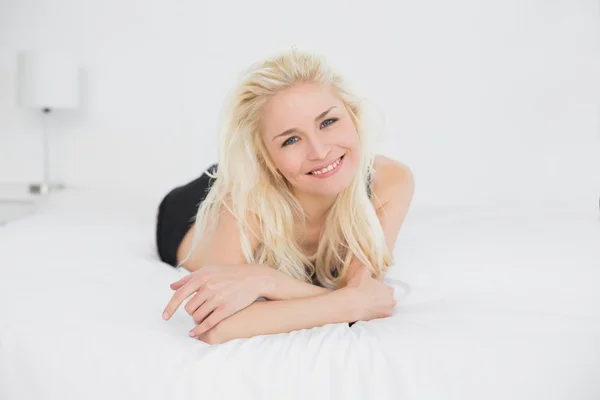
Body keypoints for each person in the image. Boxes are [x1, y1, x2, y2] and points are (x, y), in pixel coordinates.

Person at [156, 48, 415, 344]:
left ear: (354, 117)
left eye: (328, 122)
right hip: (189, 212)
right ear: (266, 158)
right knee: (233, 181)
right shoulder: (245, 198)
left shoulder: (391, 180)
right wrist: (349, 303)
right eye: (291, 139)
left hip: (289, 178)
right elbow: (218, 327)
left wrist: (268, 281)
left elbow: (368, 293)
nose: (319, 151)